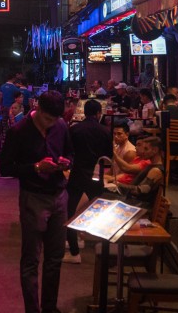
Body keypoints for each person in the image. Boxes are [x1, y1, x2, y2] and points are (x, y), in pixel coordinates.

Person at [0, 90, 74, 313]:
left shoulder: (61, 126)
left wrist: (66, 162)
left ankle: (50, 307)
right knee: (31, 259)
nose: (51, 123)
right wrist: (36, 167)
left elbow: (70, 152)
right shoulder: (19, 131)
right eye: (47, 118)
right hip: (33, 197)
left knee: (55, 258)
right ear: (38, 108)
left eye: (55, 119)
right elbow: (5, 168)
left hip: (59, 196)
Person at [63, 99, 112, 264]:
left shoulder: (75, 129)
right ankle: (105, 250)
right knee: (101, 212)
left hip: (77, 173)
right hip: (96, 174)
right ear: (99, 113)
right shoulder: (105, 131)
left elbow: (68, 151)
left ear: (84, 112)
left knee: (70, 211)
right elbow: (108, 156)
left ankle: (74, 251)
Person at [102, 136, 165, 210]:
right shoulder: (151, 165)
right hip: (134, 201)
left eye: (146, 149)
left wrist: (117, 185)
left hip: (139, 206)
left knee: (102, 195)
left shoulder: (156, 170)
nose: (143, 151)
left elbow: (139, 191)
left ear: (155, 150)